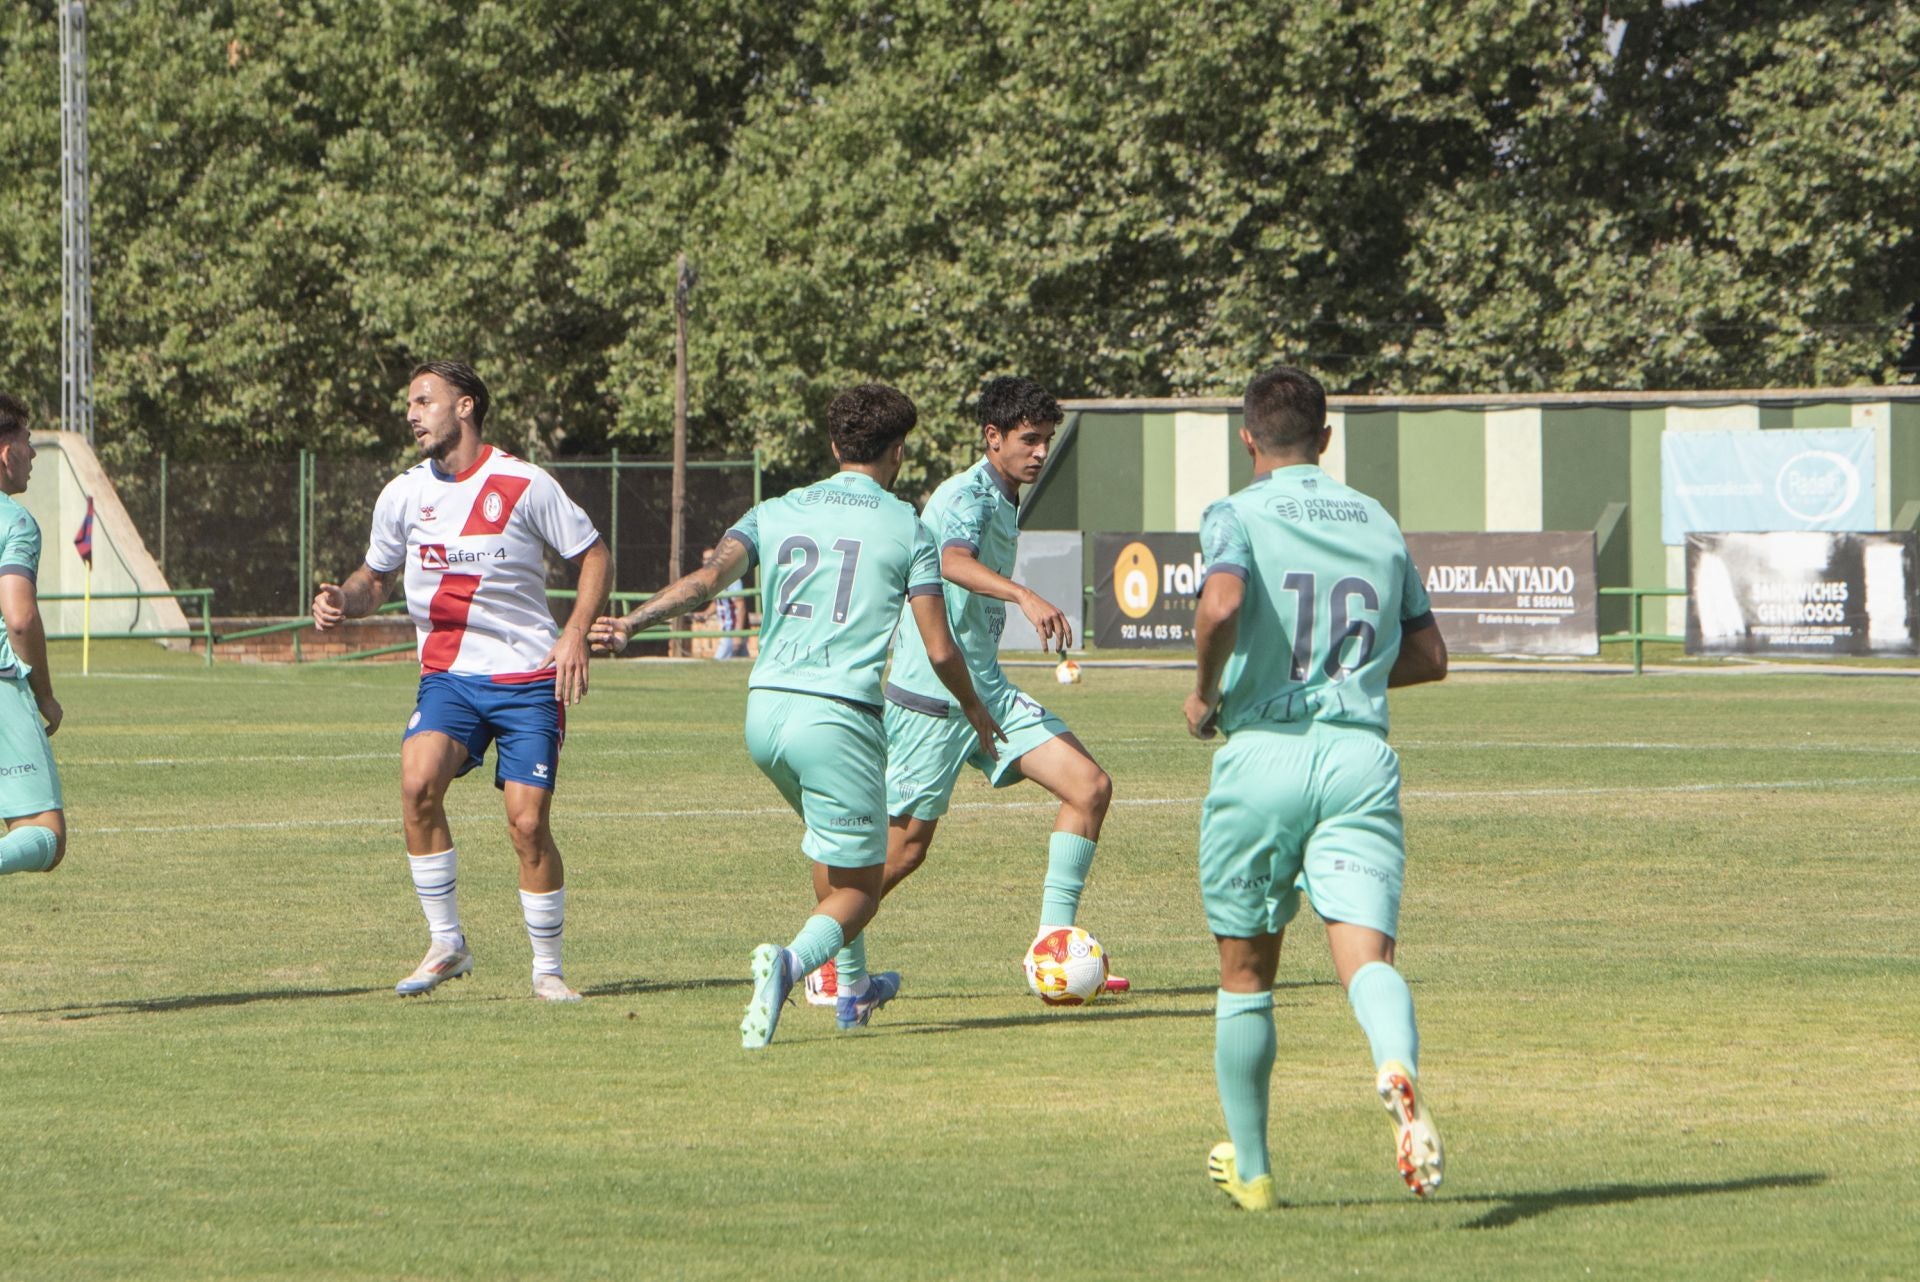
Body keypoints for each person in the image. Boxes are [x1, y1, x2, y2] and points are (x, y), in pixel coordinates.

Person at [589, 383, 1002, 1047]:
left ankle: (855, 991)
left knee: (836, 854)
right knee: (862, 889)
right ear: (899, 451)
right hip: (836, 720)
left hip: (764, 714)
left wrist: (631, 622)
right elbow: (938, 646)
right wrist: (977, 710)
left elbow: (704, 585)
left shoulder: (774, 510)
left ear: (835, 445)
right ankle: (786, 966)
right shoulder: (909, 528)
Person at [1186, 364, 1449, 1210]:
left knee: (1246, 975)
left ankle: (1256, 1172)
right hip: (1358, 758)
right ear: (1326, 439)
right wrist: (1356, 681)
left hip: (1265, 751)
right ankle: (1395, 1064)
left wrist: (1203, 694)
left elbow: (1221, 606)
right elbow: (1430, 657)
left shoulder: (1237, 512)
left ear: (1248, 437)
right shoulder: (1377, 520)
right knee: (1365, 957)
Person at [313, 361, 610, 1003]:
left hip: (529, 679)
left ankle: (547, 971)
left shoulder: (524, 483)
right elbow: (376, 578)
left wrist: (576, 630)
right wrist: (344, 595)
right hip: (448, 678)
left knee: (526, 825)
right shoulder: (402, 493)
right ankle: (447, 943)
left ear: (466, 406)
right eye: (409, 404)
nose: (412, 414)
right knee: (417, 783)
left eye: (424, 400)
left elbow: (593, 553)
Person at [865, 375, 1125, 999]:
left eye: (1046, 440)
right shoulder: (966, 495)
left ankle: (1054, 953)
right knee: (903, 853)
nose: (1040, 452)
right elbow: (951, 561)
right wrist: (1024, 594)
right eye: (1028, 440)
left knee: (1089, 788)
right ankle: (825, 952)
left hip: (987, 692)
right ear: (993, 437)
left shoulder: (1005, 495)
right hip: (935, 697)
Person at [0, 395, 66, 878]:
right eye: (26, 440)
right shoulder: (14, 521)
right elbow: (19, 618)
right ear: (6, 453)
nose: (33, 454)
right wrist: (45, 695)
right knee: (45, 831)